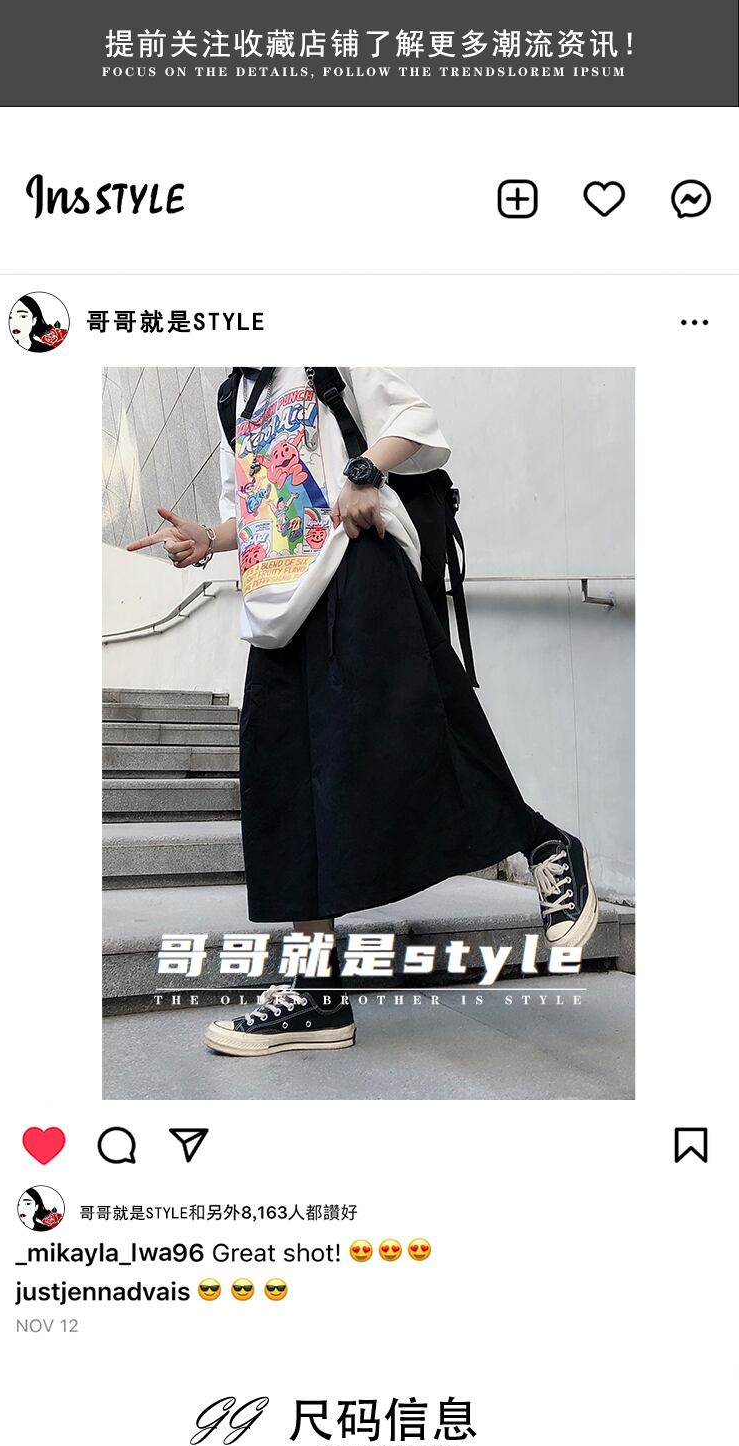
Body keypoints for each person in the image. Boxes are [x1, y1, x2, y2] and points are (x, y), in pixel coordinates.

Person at [128, 366, 598, 1057]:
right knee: (283, 791)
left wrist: (362, 471)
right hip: (274, 609)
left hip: (356, 565)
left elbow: (412, 421)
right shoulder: (233, 397)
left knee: (409, 740)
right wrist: (207, 538)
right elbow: (254, 509)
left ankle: (544, 844)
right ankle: (317, 995)